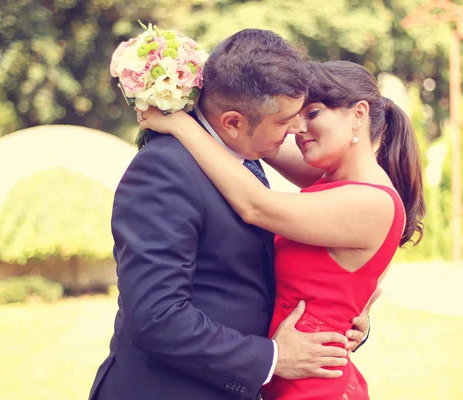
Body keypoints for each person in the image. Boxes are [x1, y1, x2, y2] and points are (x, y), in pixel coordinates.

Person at [89, 30, 371, 400]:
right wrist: (272, 358)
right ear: (233, 123)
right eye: (286, 120)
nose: (297, 129)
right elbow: (157, 317)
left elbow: (248, 275)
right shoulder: (163, 170)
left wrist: (340, 319)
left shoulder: (242, 161)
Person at [138, 60, 426, 400]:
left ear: (358, 114)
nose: (297, 128)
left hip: (314, 388)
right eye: (294, 117)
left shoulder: (370, 201)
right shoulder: (331, 179)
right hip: (285, 377)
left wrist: (180, 125)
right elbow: (260, 139)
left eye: (313, 113)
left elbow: (254, 204)